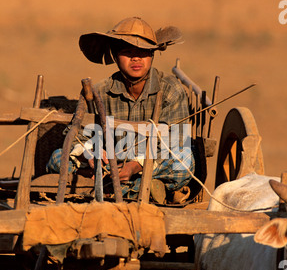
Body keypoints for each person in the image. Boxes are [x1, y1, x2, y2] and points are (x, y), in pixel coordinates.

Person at [47, 17, 195, 204]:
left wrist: (135, 166)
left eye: (143, 52)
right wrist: (90, 155)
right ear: (115, 56)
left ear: (152, 55)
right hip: (107, 166)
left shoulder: (170, 89)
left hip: (148, 165)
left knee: (184, 161)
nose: (136, 58)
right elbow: (77, 137)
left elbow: (177, 142)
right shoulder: (99, 91)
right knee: (56, 158)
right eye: (127, 51)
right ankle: (135, 189)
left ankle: (122, 189)